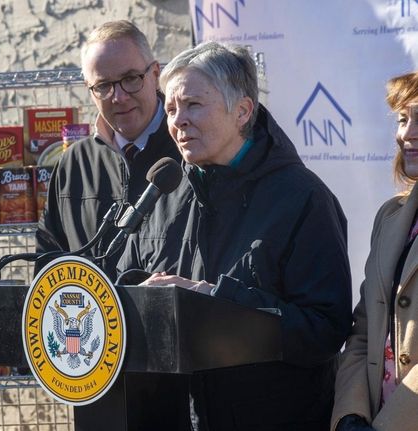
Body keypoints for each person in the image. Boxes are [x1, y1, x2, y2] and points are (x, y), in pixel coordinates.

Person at [118, 41, 353, 430]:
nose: (178, 121)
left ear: (242, 111)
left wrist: (212, 300)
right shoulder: (162, 193)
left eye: (193, 105)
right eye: (171, 109)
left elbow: (323, 331)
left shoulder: (303, 199)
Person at [35, 20, 181, 281]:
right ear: (90, 90)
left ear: (156, 74)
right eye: (103, 86)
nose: (119, 96)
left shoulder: (190, 153)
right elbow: (48, 265)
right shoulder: (73, 166)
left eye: (130, 79)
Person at [331, 71, 418, 431]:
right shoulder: (390, 217)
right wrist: (351, 415)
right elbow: (365, 329)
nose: (406, 134)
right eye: (403, 119)